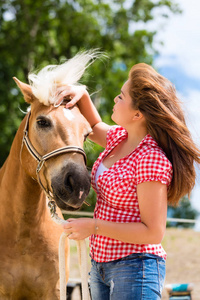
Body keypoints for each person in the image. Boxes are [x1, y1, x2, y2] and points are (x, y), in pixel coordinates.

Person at [59, 63, 200, 299]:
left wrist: (93, 226)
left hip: (136, 268)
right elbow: (93, 126)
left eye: (121, 96)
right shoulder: (119, 138)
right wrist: (81, 93)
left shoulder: (150, 158)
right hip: (100, 265)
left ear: (137, 114)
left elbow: (153, 232)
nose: (115, 98)